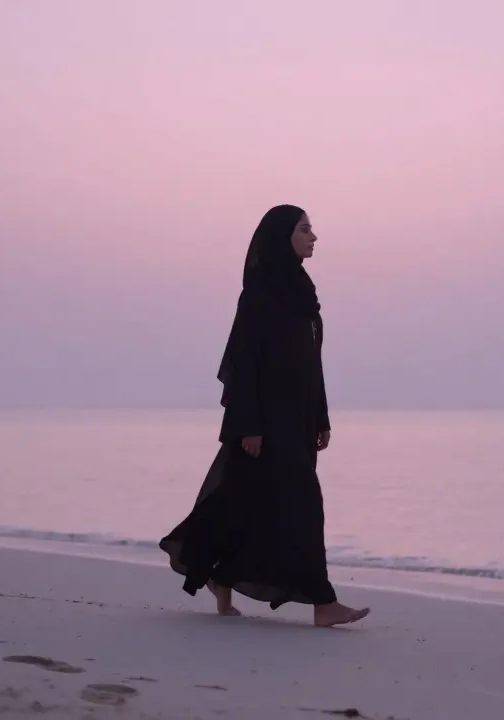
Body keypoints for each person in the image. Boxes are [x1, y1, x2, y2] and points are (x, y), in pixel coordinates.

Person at [159, 205, 371, 628]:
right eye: (305, 229)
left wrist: (322, 416)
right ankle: (322, 604)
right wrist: (248, 425)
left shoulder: (303, 292)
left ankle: (217, 573)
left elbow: (313, 363)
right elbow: (244, 361)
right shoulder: (259, 292)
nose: (314, 237)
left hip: (299, 419)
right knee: (304, 504)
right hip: (266, 420)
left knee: (242, 500)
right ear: (282, 236)